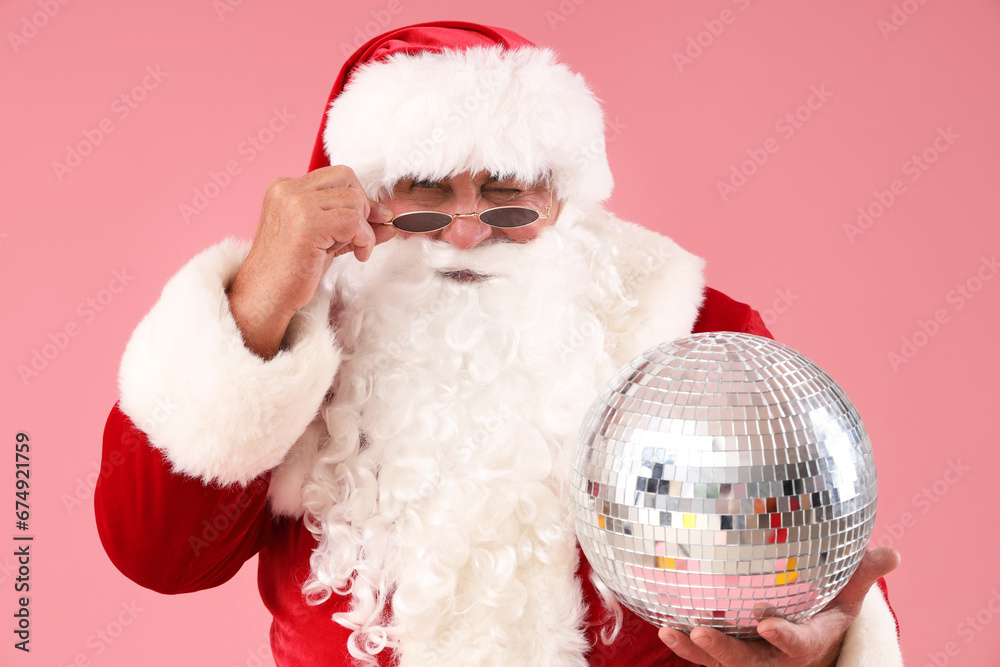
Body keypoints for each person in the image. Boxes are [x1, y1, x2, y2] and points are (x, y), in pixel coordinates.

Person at [95, 21, 903, 667]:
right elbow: (159, 555)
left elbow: (813, 560)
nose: (471, 232)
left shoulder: (690, 336)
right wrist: (260, 296)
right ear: (360, 198)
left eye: (509, 195)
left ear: (561, 194)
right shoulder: (294, 330)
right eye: (426, 192)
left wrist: (821, 651)